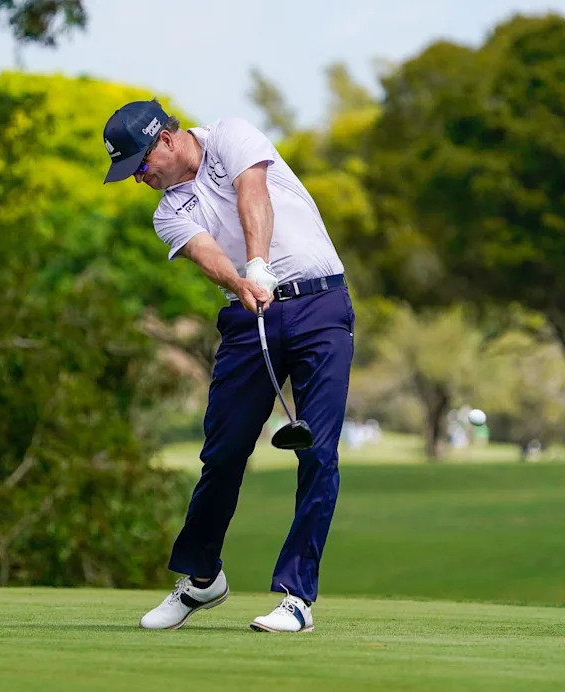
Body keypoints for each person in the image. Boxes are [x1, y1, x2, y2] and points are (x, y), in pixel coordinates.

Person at [102, 99, 354, 633]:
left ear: (166, 140)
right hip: (250, 313)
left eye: (140, 166)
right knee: (223, 451)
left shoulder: (230, 135)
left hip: (320, 305)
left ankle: (296, 598)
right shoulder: (167, 210)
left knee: (319, 453)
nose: (138, 179)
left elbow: (252, 195)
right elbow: (204, 252)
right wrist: (241, 282)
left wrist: (259, 263)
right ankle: (201, 577)